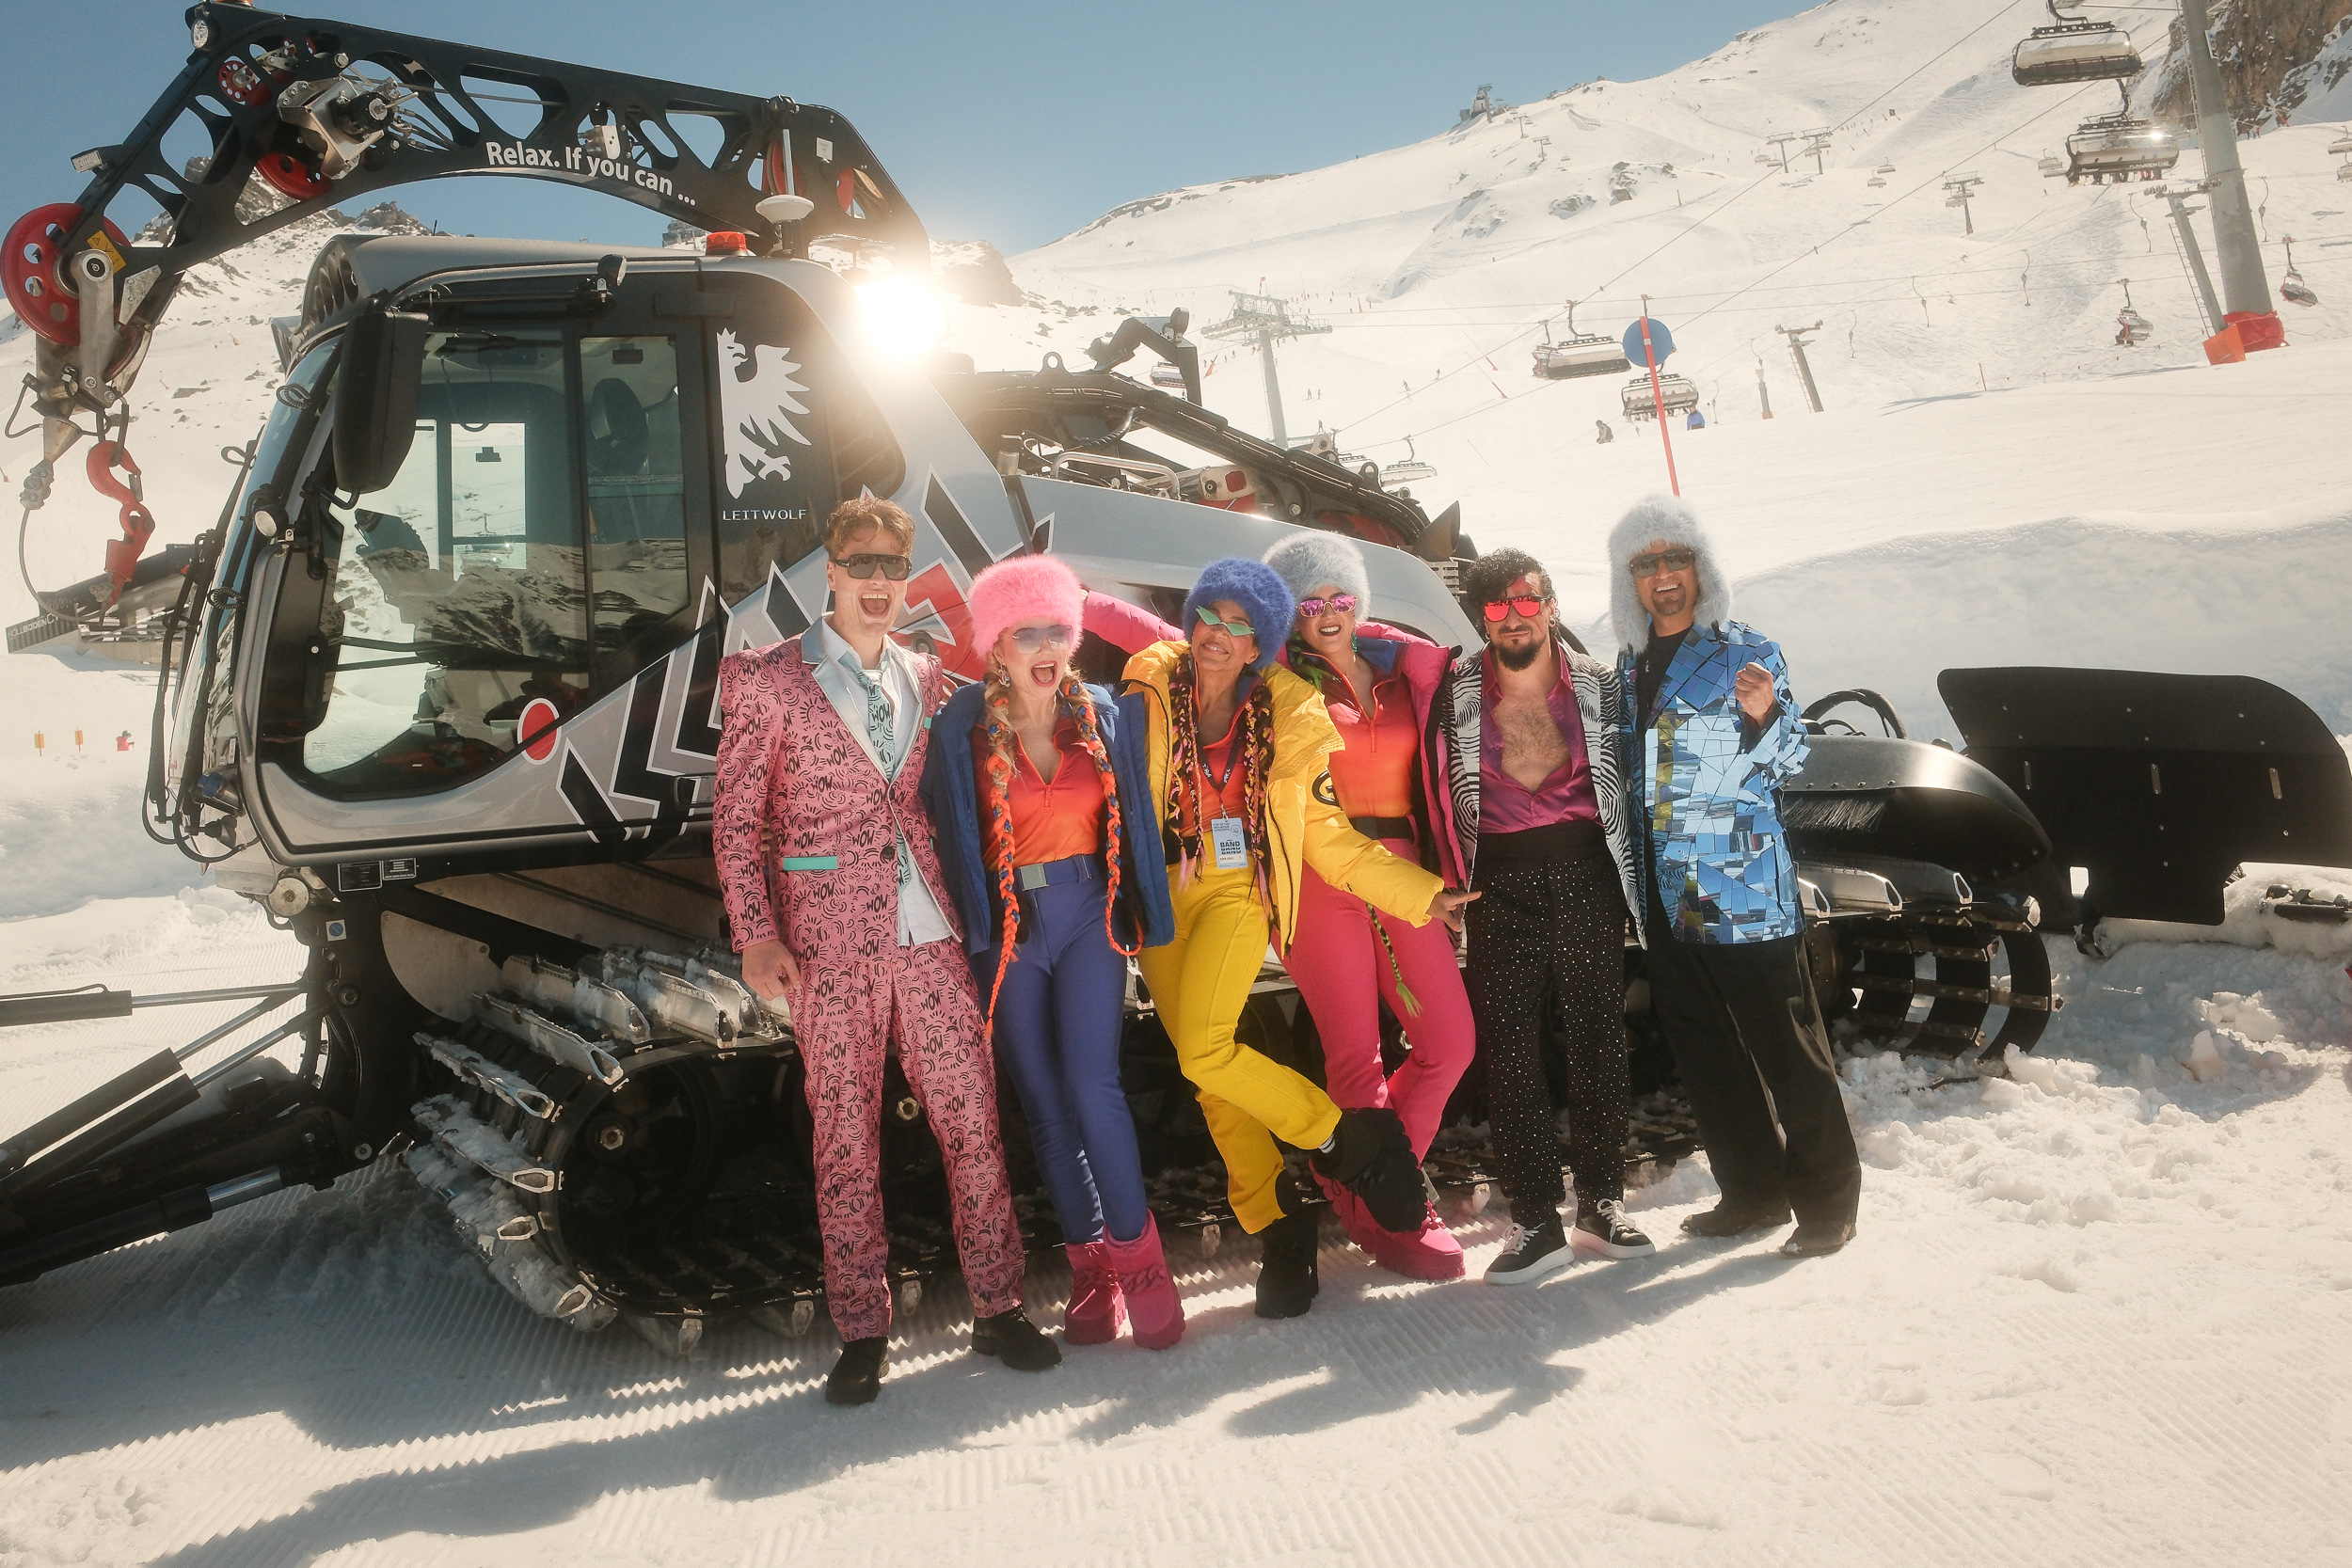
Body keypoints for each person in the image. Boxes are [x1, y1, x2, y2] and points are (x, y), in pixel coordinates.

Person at [714, 496, 1059, 1406]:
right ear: (830, 570)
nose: (876, 581)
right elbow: (736, 820)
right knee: (844, 1136)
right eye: (859, 563)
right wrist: (756, 933)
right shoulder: (767, 678)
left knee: (972, 1121)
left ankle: (999, 1304)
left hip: (931, 934)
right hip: (826, 944)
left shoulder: (933, 678)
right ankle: (862, 1328)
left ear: (905, 579)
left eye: (890, 567)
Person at [1084, 559, 1477, 1318]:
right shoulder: (1156, 674)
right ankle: (1279, 1222)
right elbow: (1111, 619)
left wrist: (1421, 892)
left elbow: (1325, 832)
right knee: (1211, 1077)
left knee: (1206, 1050)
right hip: (1161, 892)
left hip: (1236, 889)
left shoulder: (1288, 707)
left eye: (1241, 625)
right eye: (1209, 616)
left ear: (1262, 642)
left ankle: (1340, 1140)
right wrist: (1045, 595)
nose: (1219, 634)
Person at [921, 554, 1187, 1352]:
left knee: (1093, 1086)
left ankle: (1143, 1266)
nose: (1045, 646)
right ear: (996, 646)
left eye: (1057, 630)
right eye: (1025, 631)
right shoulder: (959, 725)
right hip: (1007, 927)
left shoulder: (1102, 714)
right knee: (1042, 1103)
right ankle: (1090, 1268)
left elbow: (1188, 660)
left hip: (1087, 914)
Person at [1607, 494, 1862, 1258]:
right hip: (1665, 888)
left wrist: (1765, 716)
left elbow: (1791, 759)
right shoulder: (1627, 665)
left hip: (1742, 883)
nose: (1663, 575)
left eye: (1676, 557)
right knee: (1706, 1050)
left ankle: (1829, 1203)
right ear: (1630, 580)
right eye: (1646, 563)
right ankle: (1753, 1192)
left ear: (1701, 568)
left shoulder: (1745, 651)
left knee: (1786, 1045)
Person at [1422, 548, 1654, 1285]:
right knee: (1511, 1049)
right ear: (1481, 617)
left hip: (1587, 868)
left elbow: (1643, 775)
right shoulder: (1455, 689)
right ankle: (1534, 1218)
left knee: (1597, 1037)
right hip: (1497, 879)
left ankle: (1602, 1204)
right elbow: (1426, 780)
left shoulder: (1602, 686)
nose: (1514, 615)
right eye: (1497, 605)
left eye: (1527, 600)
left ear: (1551, 607)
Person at [1260, 532, 1477, 1280]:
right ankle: (1398, 1212)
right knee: (1357, 1057)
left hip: (1405, 866)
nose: (1327, 612)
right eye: (1308, 602)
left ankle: (1365, 1183)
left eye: (1340, 597)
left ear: (1360, 603)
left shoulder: (1403, 672)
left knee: (1450, 1041)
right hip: (1319, 876)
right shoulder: (1277, 681)